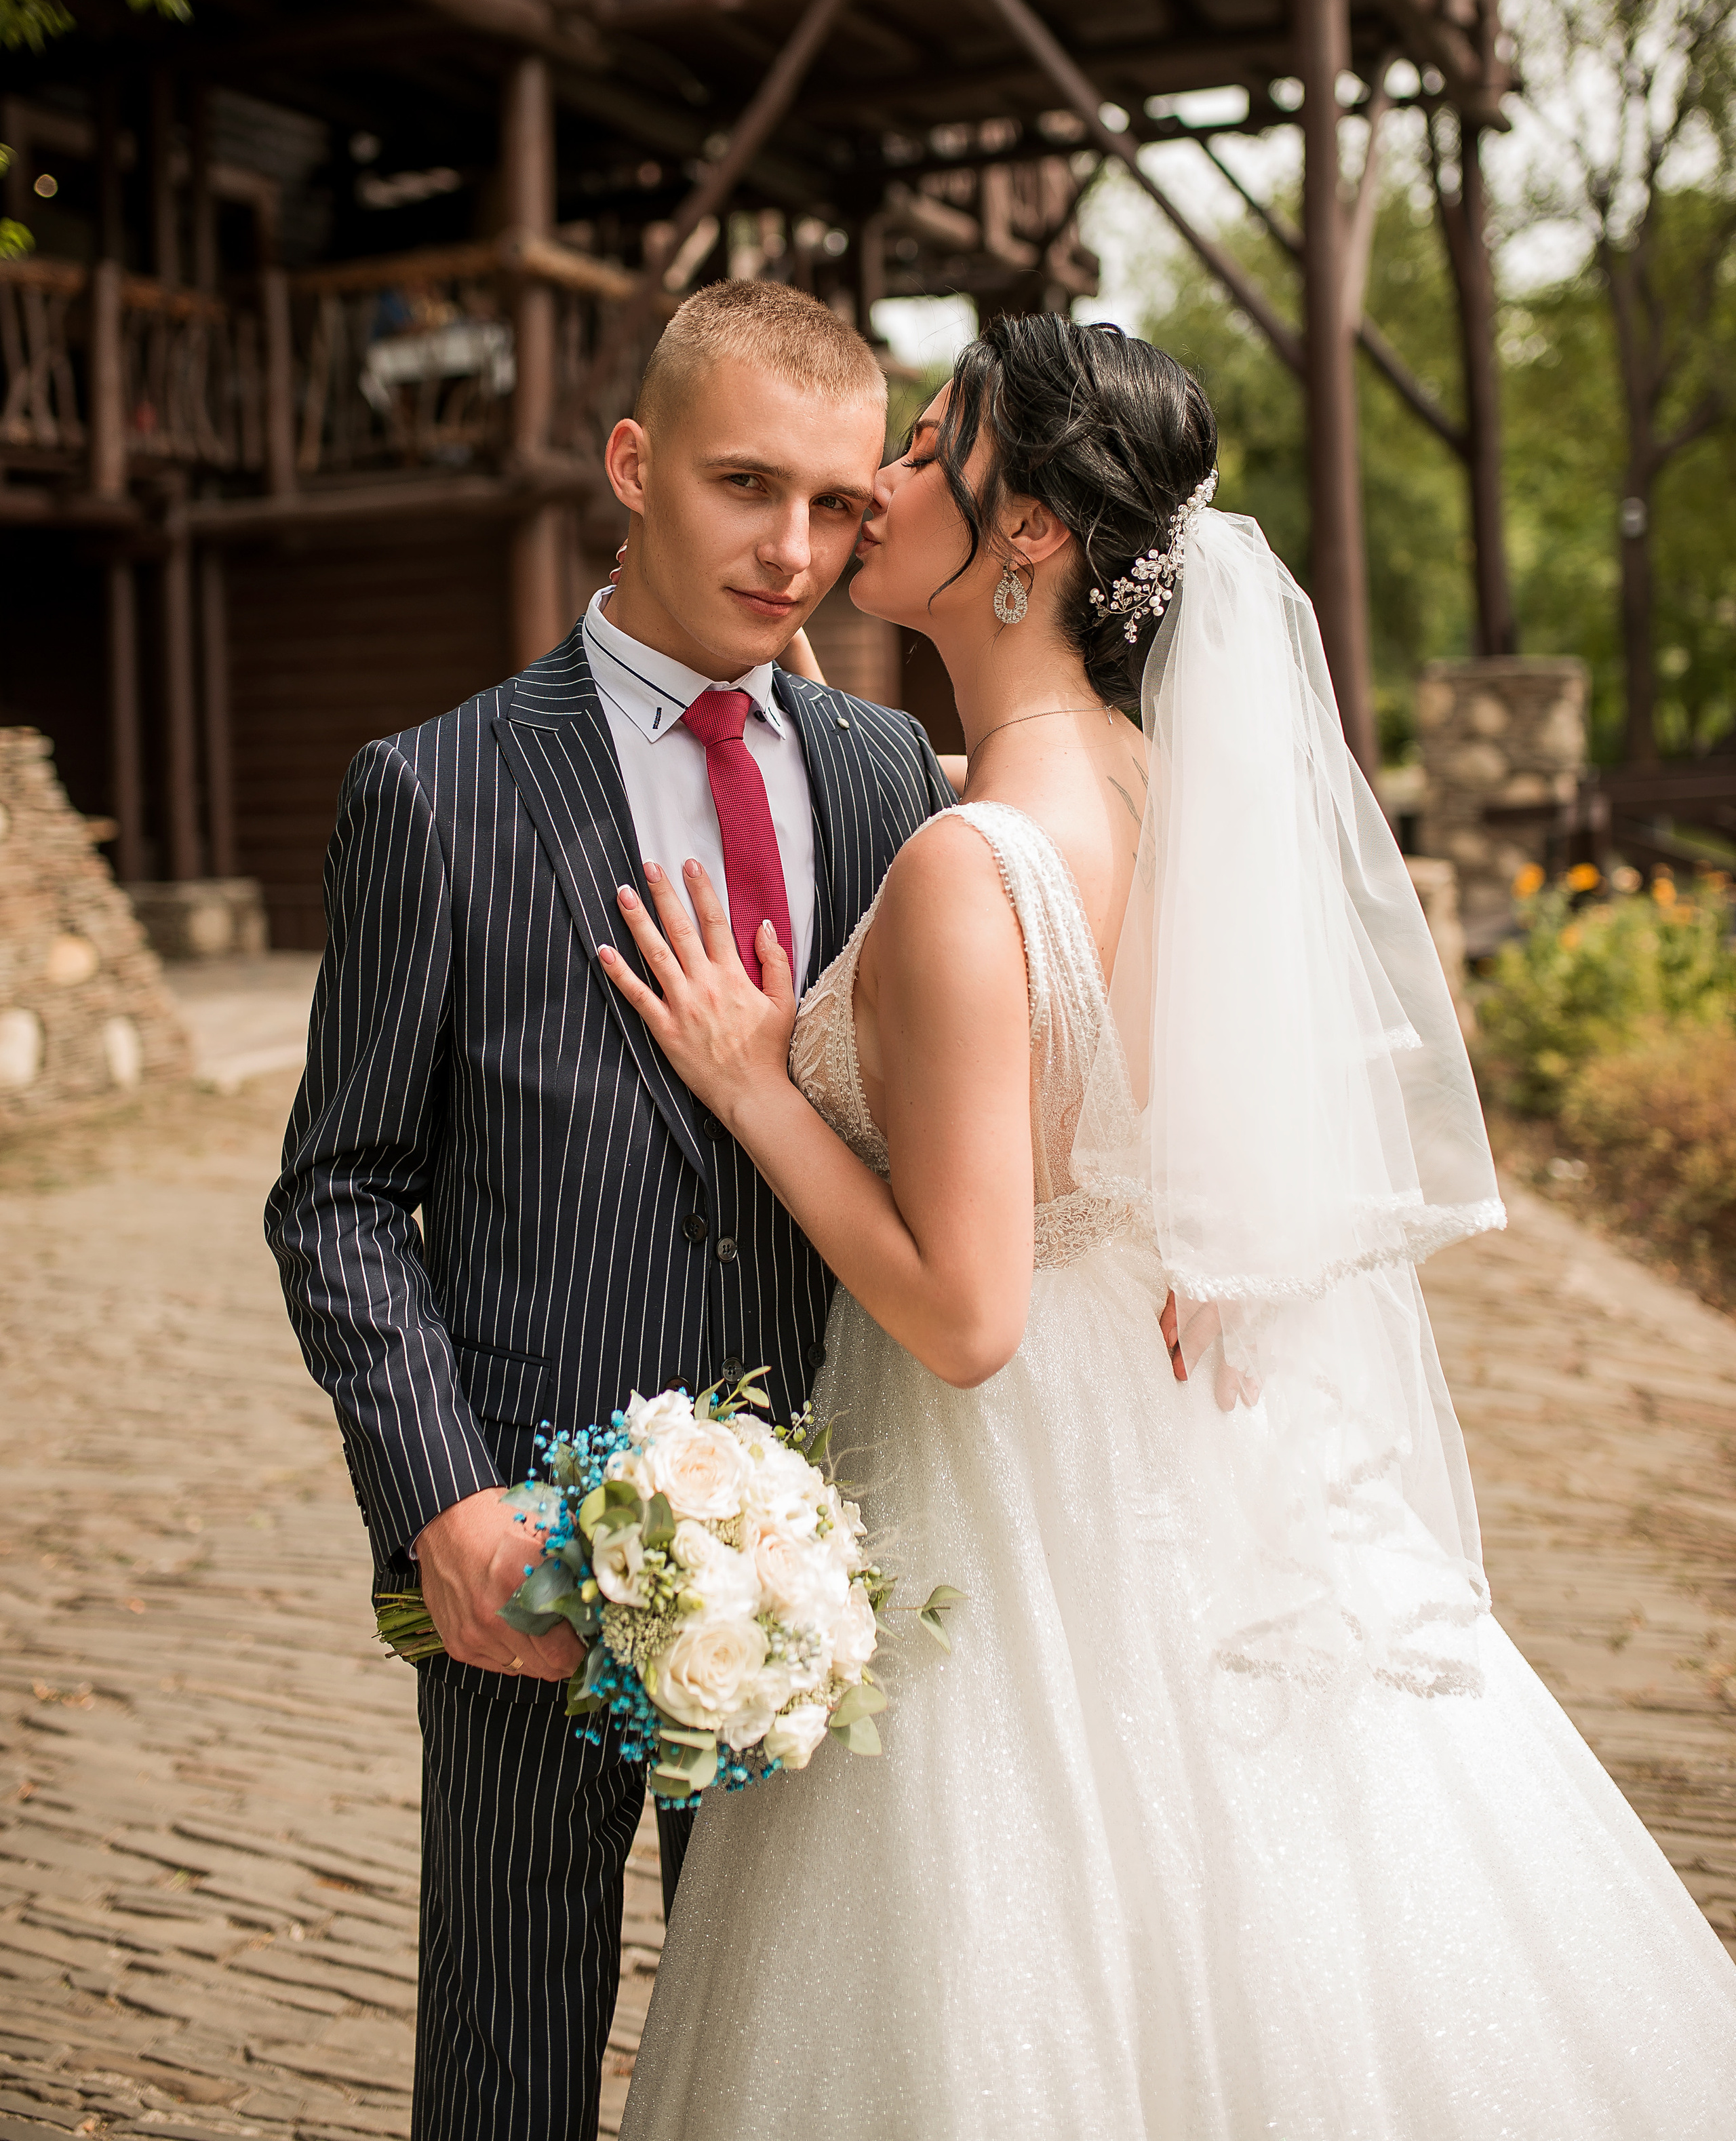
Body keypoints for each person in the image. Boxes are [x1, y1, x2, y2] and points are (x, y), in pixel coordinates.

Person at [604, 314, 1736, 2140]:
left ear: (1030, 530)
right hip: (1179, 1448)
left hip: (1005, 1463)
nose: (867, 487)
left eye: (917, 447)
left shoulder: (969, 868)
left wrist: (754, 1078)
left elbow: (965, 1308)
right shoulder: (1146, 784)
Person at [264, 278, 955, 2141]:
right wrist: (441, 1502)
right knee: (509, 2045)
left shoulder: (889, 776)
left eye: (835, 503)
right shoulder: (434, 789)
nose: (794, 549)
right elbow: (333, 1192)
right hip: (526, 1548)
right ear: (633, 464)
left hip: (836, 1550)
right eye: (747, 485)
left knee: (795, 2053)